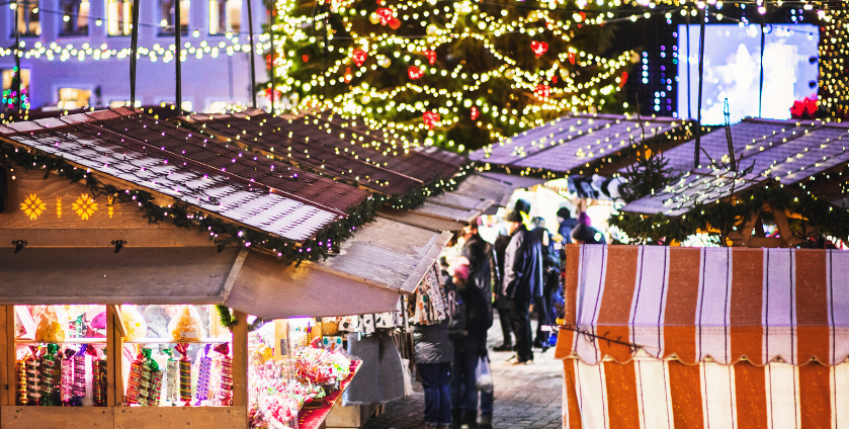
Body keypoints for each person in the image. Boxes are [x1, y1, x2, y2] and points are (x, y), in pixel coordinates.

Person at [459, 222, 496, 429]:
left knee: (472, 372)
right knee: (481, 370)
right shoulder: (486, 249)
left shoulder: (469, 287)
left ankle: (474, 414)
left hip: (473, 330)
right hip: (480, 325)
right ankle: (483, 414)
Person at [447, 256, 491, 430]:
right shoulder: (476, 291)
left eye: (455, 276)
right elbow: (485, 320)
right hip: (470, 343)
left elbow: (482, 320)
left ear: (460, 277)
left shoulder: (456, 292)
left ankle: (458, 418)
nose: (453, 279)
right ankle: (468, 418)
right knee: (467, 382)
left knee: (457, 381)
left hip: (460, 343)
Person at [502, 210, 543, 366]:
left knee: (519, 321)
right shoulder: (532, 236)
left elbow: (515, 268)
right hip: (528, 286)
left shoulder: (518, 239)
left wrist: (508, 288)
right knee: (524, 320)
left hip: (518, 288)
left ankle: (522, 354)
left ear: (514, 223)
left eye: (507, 223)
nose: (506, 226)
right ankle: (526, 353)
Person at [413, 306, 453, 428]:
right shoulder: (447, 293)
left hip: (427, 349)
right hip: (446, 346)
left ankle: (431, 420)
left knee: (431, 385)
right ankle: (445, 421)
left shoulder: (423, 299)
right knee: (443, 383)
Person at [530, 217, 560, 351]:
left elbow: (557, 262)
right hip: (540, 285)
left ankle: (543, 338)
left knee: (546, 312)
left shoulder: (549, 249)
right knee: (543, 313)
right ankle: (541, 338)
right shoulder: (538, 251)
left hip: (548, 285)